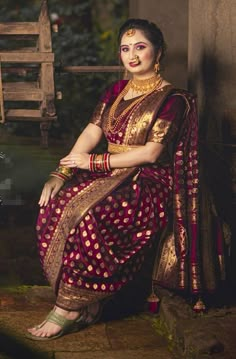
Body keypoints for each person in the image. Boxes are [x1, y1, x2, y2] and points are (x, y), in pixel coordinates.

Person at [26, 18, 203, 341]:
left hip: (149, 181)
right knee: (55, 206)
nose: (132, 56)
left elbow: (151, 154)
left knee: (91, 216)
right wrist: (60, 172)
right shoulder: (116, 91)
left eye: (140, 47)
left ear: (158, 52)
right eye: (125, 49)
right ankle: (84, 303)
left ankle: (70, 309)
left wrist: (92, 163)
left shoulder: (173, 100)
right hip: (108, 173)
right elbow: (91, 132)